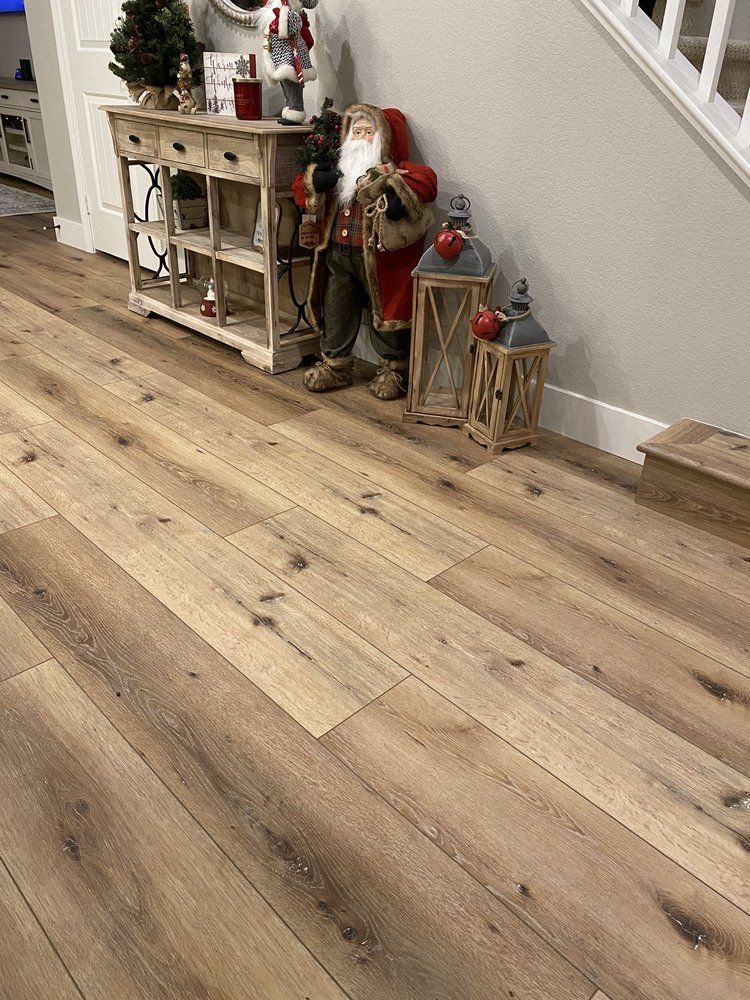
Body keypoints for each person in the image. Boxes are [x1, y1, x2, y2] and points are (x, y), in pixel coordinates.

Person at [292, 103, 438, 398]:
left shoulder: (394, 172)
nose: (360, 137)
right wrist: (312, 181)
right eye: (355, 131)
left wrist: (400, 197)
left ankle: (394, 369)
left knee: (384, 313)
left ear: (384, 137)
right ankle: (335, 364)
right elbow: (300, 188)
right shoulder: (340, 172)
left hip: (378, 261)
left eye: (368, 132)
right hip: (337, 257)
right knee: (337, 309)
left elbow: (426, 181)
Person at [256, 0, 318, 125]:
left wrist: (283, 17)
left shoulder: (291, 14)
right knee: (285, 83)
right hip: (281, 55)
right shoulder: (278, 9)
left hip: (291, 53)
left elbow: (290, 29)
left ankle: (296, 110)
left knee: (292, 82)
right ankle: (290, 109)